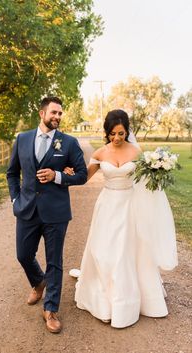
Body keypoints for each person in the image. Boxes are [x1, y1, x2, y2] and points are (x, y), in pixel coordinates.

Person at [68, 109, 178, 328]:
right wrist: (69, 173)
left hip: (130, 206)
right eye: (112, 133)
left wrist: (159, 171)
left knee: (126, 252)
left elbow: (147, 182)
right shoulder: (100, 153)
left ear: (127, 131)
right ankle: (104, 297)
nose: (117, 138)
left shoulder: (137, 152)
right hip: (107, 206)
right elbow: (84, 177)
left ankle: (126, 303)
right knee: (104, 251)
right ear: (107, 132)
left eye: (121, 133)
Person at [6, 96, 87, 333]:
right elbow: (12, 173)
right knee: (23, 254)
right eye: (53, 112)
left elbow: (81, 174)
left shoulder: (69, 143)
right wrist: (15, 198)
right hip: (27, 209)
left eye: (60, 113)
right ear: (42, 114)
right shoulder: (22, 139)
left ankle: (50, 309)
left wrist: (58, 176)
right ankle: (38, 282)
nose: (57, 117)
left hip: (56, 212)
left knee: (55, 262)